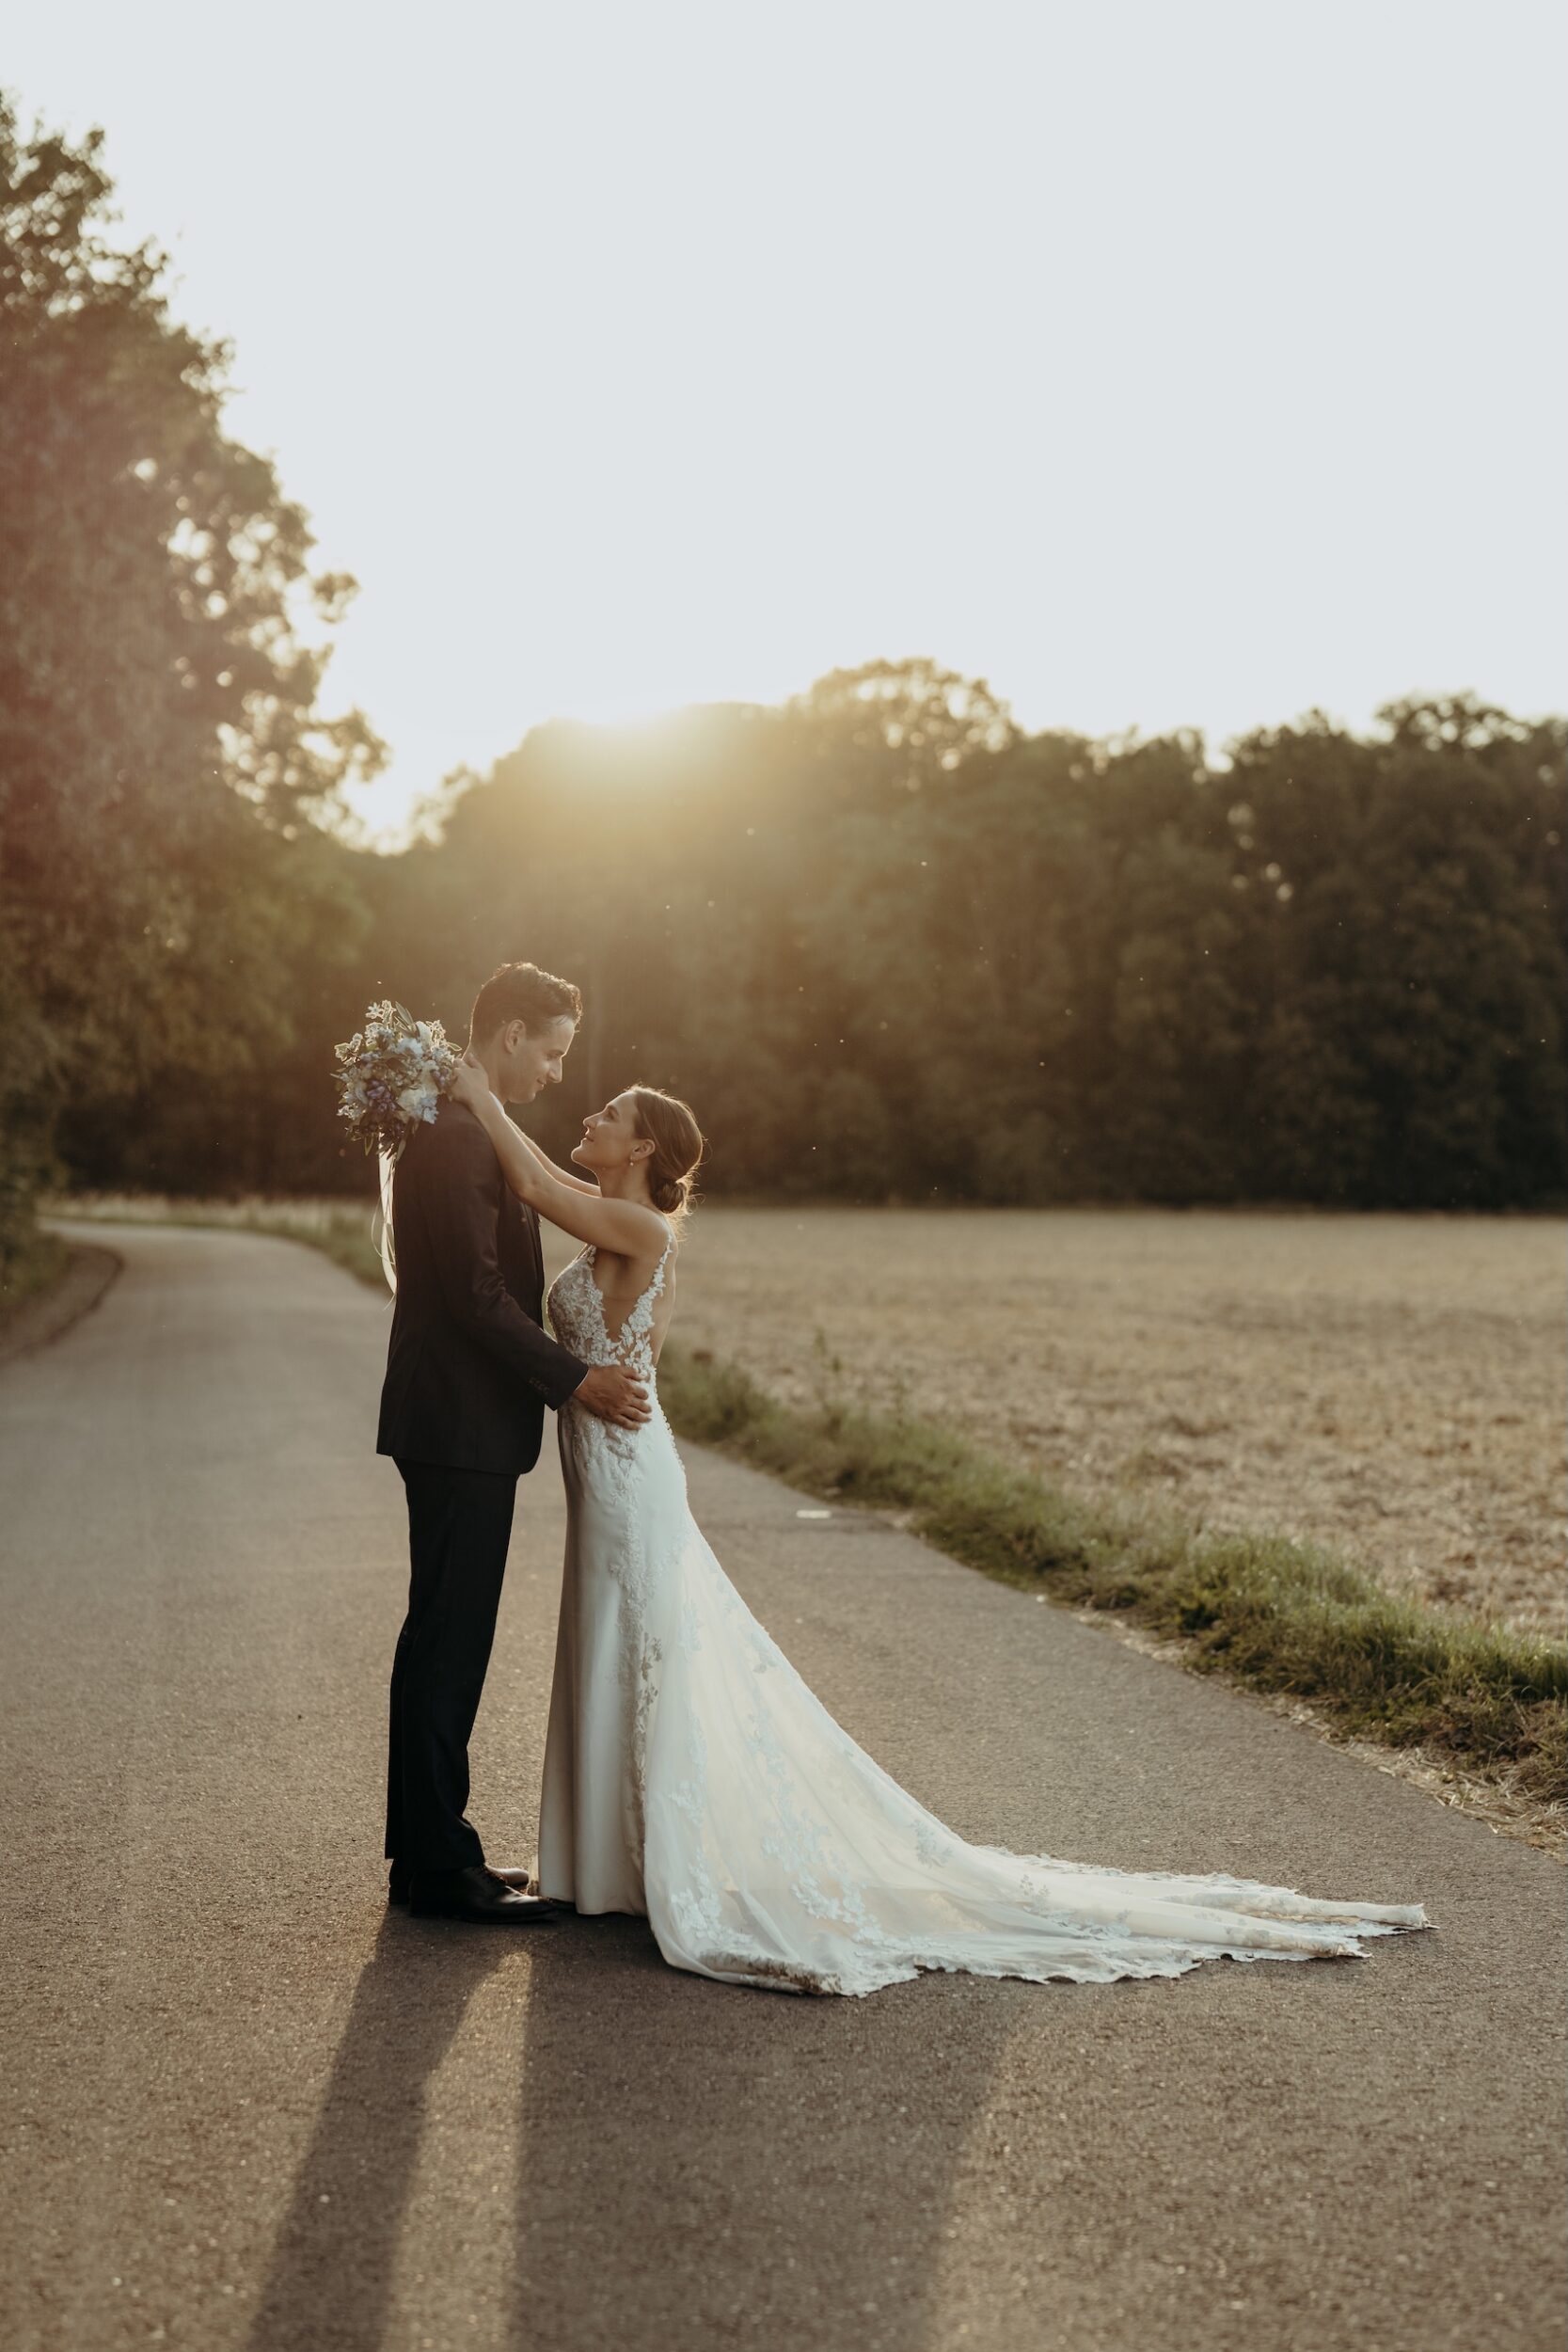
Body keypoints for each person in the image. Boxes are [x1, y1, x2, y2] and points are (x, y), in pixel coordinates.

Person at [446, 1051, 1429, 1994]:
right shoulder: (611, 1221)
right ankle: (602, 1862)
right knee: (611, 1641)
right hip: (605, 1464)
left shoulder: (644, 1231)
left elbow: (530, 1183)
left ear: (641, 1149)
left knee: (638, 1644)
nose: (588, 1116)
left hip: (630, 1475)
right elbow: (549, 1199)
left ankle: (638, 1861)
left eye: (609, 1113)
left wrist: (477, 1093)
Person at [377, 962, 650, 1925]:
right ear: (508, 1037)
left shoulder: (466, 1124)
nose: (555, 1071)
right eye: (552, 1051)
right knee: (448, 1640)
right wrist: (575, 1379)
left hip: (456, 1421)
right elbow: (475, 1297)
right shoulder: (456, 1137)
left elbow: (530, 1196)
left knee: (443, 1635)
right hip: (455, 1422)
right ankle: (438, 1866)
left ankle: (428, 1853)